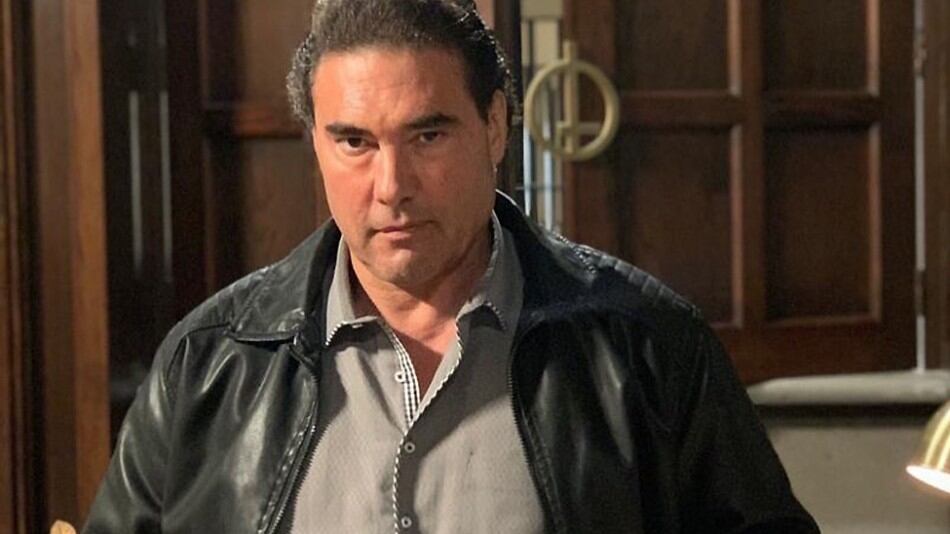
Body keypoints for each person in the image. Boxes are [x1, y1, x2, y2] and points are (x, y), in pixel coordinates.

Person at [84, 0, 819, 532]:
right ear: (315, 145)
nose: (391, 186)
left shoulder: (647, 346)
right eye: (354, 142)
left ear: (495, 125)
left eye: (427, 136)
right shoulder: (209, 364)